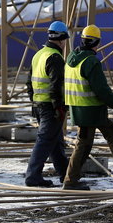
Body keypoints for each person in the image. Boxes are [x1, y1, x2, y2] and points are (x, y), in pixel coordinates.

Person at [62, 24, 113, 190]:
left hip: (78, 109)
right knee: (86, 144)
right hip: (92, 110)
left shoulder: (71, 58)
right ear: (96, 43)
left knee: (103, 136)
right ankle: (70, 181)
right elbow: (102, 90)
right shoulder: (91, 62)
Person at [24, 21, 70, 187]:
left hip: (39, 105)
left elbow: (29, 82)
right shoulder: (55, 57)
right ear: (62, 40)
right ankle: (33, 176)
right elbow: (55, 86)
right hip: (50, 108)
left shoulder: (39, 54)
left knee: (55, 142)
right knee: (44, 141)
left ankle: (66, 174)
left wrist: (34, 100)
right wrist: (59, 107)